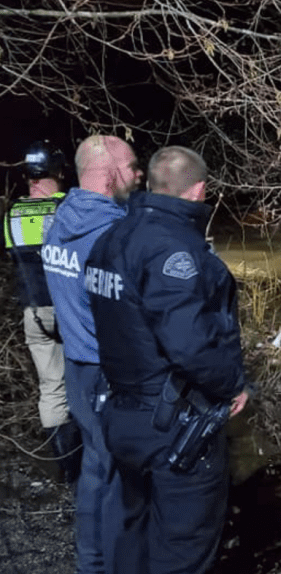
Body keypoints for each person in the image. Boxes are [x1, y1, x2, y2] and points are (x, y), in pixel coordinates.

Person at [86, 146, 249, 574]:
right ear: (198, 190)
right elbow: (190, 345)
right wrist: (233, 383)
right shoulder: (175, 251)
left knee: (131, 529)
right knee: (182, 547)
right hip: (172, 423)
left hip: (121, 415)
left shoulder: (110, 239)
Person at [43, 135, 143, 574]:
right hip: (108, 371)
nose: (139, 175)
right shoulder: (113, 236)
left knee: (95, 467)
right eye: (133, 166)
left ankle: (91, 560)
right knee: (117, 475)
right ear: (111, 173)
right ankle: (108, 563)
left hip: (77, 367)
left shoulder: (59, 220)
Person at [3, 140, 81, 482]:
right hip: (71, 310)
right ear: (60, 171)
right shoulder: (69, 208)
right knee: (87, 380)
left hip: (33, 313)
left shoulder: (11, 213)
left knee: (52, 388)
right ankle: (90, 460)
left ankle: (64, 467)